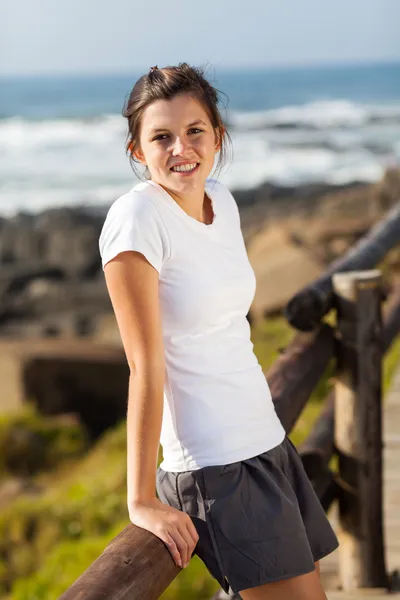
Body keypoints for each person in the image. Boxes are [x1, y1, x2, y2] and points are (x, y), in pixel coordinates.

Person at [99, 62, 339, 600]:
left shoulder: (222, 202)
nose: (180, 147)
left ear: (217, 136)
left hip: (268, 444)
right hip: (216, 466)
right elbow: (144, 364)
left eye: (194, 131)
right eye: (161, 136)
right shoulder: (136, 219)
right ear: (138, 150)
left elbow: (230, 329)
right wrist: (139, 498)